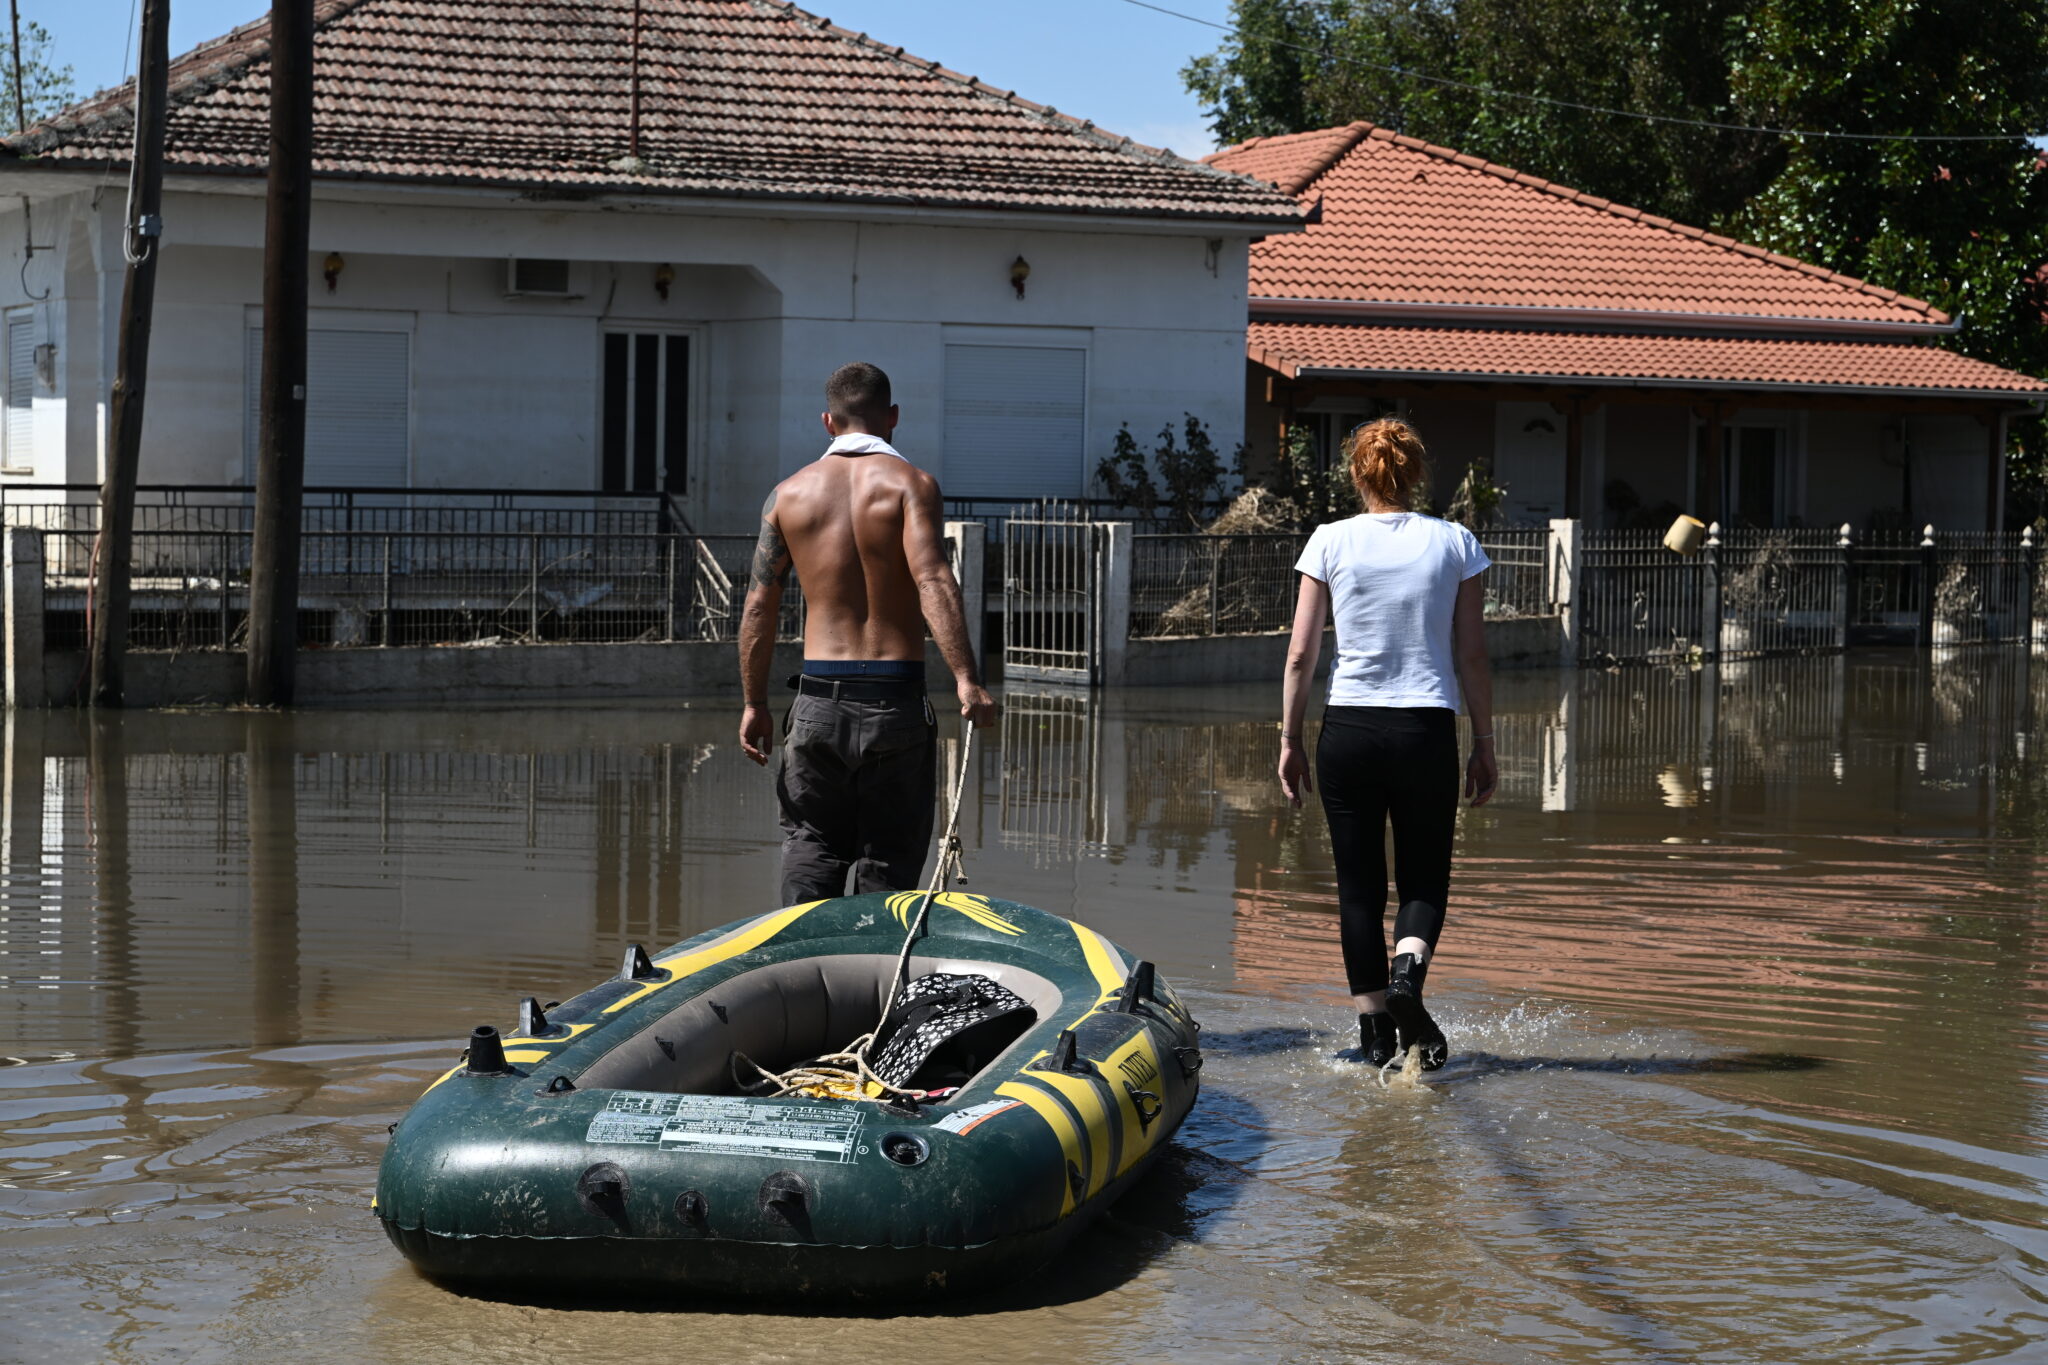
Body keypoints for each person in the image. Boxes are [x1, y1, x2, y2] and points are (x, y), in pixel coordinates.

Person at [1276, 418, 1497, 1071]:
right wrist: (1484, 741)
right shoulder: (1454, 541)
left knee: (1358, 889)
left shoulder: (1329, 541)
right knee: (1424, 878)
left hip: (1348, 731)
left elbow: (1299, 654)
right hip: (1425, 727)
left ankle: (1374, 1031)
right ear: (1417, 473)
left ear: (1357, 473)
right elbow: (1473, 655)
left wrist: (1289, 737)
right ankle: (1408, 976)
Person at [739, 362, 999, 905]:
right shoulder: (912, 486)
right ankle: (877, 977)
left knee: (812, 846)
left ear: (828, 421)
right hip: (895, 702)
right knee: (888, 861)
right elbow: (933, 578)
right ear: (893, 418)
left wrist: (754, 703)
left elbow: (760, 604)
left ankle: (804, 972)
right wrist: (966, 679)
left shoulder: (787, 495)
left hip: (816, 705)